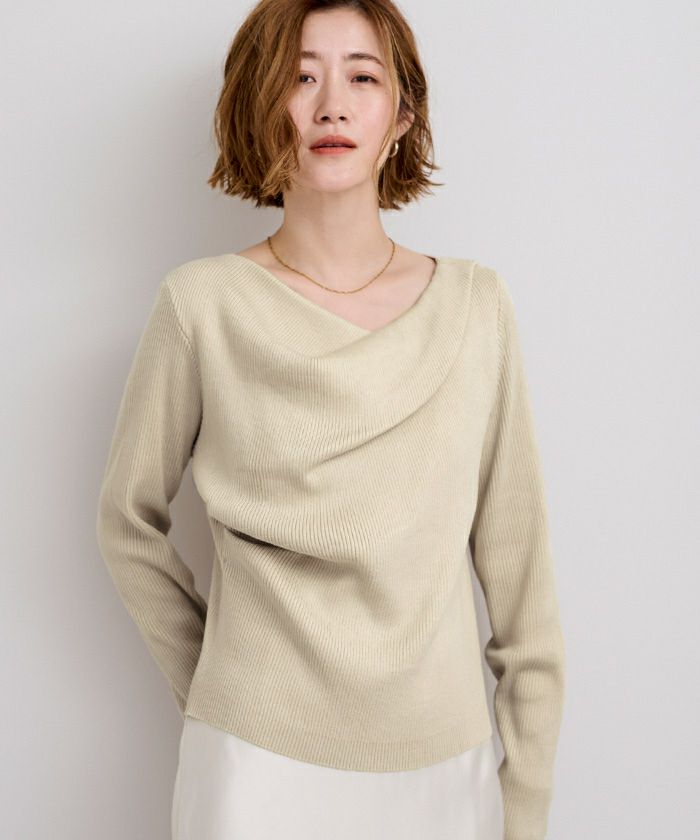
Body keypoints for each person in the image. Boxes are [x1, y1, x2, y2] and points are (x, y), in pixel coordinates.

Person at [95, 1, 566, 839]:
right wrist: (224, 688)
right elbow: (126, 523)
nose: (332, 106)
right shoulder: (202, 306)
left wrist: (523, 805)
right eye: (300, 77)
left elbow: (521, 581)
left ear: (403, 114)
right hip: (253, 767)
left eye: (363, 77)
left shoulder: (476, 308)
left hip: (443, 767)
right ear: (259, 102)